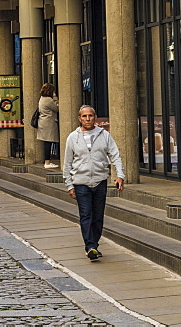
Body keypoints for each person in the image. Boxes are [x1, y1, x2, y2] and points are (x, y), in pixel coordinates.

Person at [62, 106, 125, 261]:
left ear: (95, 117)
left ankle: (94, 245)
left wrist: (120, 175)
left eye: (90, 116)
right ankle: (90, 246)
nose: (88, 119)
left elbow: (115, 155)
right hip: (81, 182)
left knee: (97, 216)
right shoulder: (72, 138)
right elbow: (67, 163)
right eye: (84, 116)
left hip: (99, 181)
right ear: (79, 118)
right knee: (86, 215)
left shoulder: (104, 135)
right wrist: (69, 185)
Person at [37, 83, 60, 168]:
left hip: (43, 122)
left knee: (47, 142)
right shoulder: (48, 100)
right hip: (48, 123)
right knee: (48, 142)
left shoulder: (42, 98)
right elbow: (56, 108)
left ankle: (47, 161)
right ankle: (47, 162)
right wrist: (55, 98)